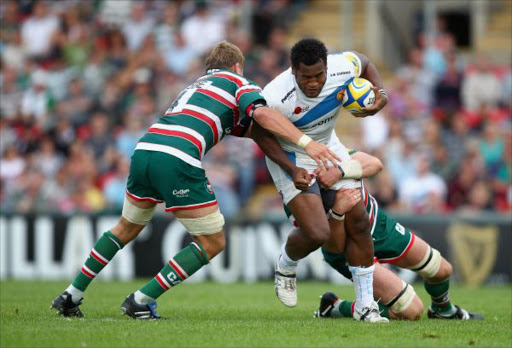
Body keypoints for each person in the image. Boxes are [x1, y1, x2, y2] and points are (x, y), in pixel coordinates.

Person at [50, 41, 338, 319]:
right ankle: (141, 300)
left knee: (125, 228)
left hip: (145, 150)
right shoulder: (239, 83)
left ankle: (71, 294)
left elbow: (254, 131)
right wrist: (306, 144)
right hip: (177, 156)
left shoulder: (195, 87)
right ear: (237, 65)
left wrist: (288, 160)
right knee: (212, 241)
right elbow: (260, 114)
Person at [262, 38, 389, 322]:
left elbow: (364, 61)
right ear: (293, 71)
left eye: (319, 75)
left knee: (358, 218)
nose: (313, 83)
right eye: (306, 77)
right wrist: (291, 169)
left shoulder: (341, 68)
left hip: (328, 147)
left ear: (326, 67)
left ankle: (365, 305)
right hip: (290, 155)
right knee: (318, 233)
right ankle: (286, 264)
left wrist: (380, 92)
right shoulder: (275, 95)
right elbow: (261, 136)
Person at [313, 150, 484, 321]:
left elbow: (375, 164)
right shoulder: (300, 184)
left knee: (442, 270)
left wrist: (339, 171)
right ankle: (334, 306)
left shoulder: (332, 149)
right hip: (348, 247)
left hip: (378, 225)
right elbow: (332, 246)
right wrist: (337, 212)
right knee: (411, 310)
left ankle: (443, 310)